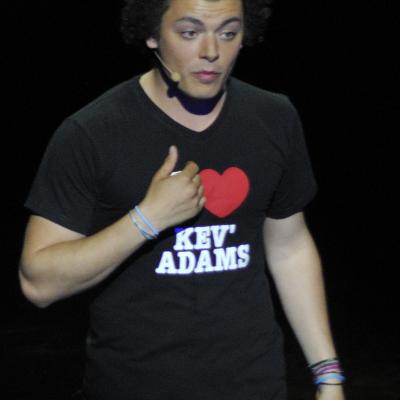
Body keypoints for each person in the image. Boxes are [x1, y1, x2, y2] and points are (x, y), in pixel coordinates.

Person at [19, 0, 346, 399]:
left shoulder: (274, 118)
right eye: (189, 33)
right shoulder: (93, 133)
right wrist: (146, 219)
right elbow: (38, 283)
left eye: (228, 33)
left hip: (254, 385)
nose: (212, 51)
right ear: (152, 33)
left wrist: (328, 375)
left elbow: (289, 248)